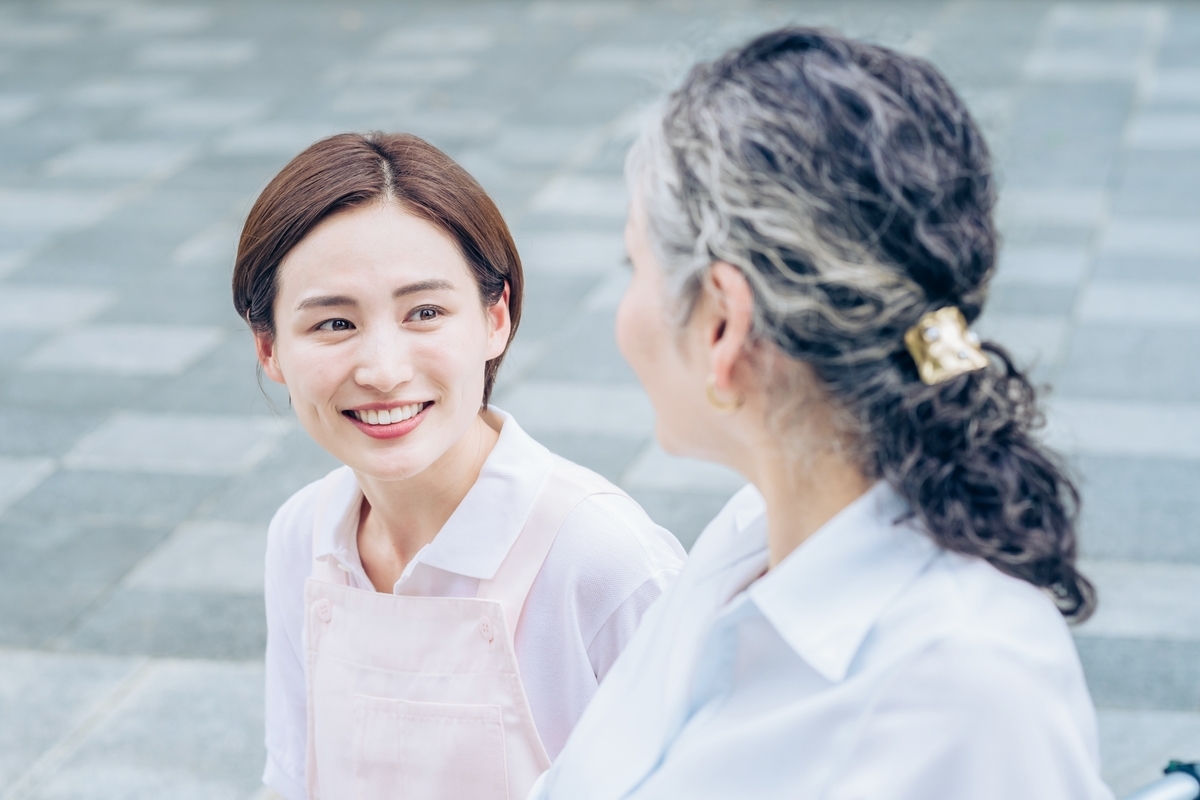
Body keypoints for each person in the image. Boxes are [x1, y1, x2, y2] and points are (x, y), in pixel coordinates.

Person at [531, 27, 1114, 800]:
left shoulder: (970, 690)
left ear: (723, 322)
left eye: (633, 265)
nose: (624, 312)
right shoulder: (747, 537)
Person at [231, 132, 685, 800]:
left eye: (425, 312)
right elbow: (294, 782)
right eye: (334, 324)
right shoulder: (302, 536)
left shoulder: (606, 562)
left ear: (495, 318)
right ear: (269, 349)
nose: (384, 370)